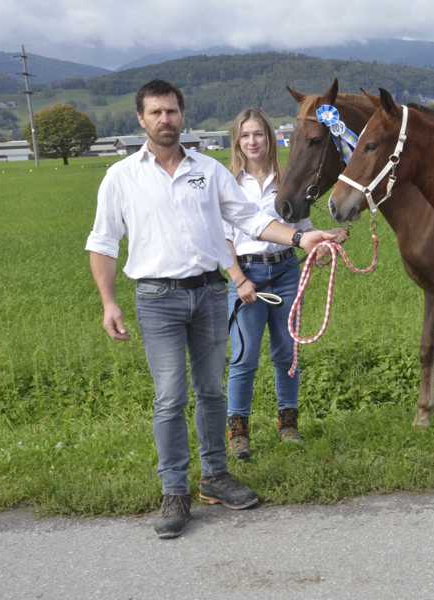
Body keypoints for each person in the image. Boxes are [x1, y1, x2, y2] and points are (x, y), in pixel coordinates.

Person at [85, 80, 346, 539]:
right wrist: (108, 302)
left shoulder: (208, 170)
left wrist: (302, 238)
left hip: (207, 294)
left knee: (210, 391)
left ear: (182, 115)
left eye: (171, 111)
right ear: (141, 120)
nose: (165, 119)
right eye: (156, 113)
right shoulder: (121, 177)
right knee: (170, 395)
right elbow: (103, 242)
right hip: (157, 299)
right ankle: (174, 491)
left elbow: (250, 219)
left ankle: (216, 477)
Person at [223, 108, 309, 459]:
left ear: (269, 138)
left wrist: (322, 241)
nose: (252, 141)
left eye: (258, 134)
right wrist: (239, 279)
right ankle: (238, 432)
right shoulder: (229, 183)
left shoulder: (287, 180)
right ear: (237, 141)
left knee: (287, 353)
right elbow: (223, 238)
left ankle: (288, 424)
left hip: (285, 272)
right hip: (247, 276)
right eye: (245, 135)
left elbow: (301, 228)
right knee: (244, 357)